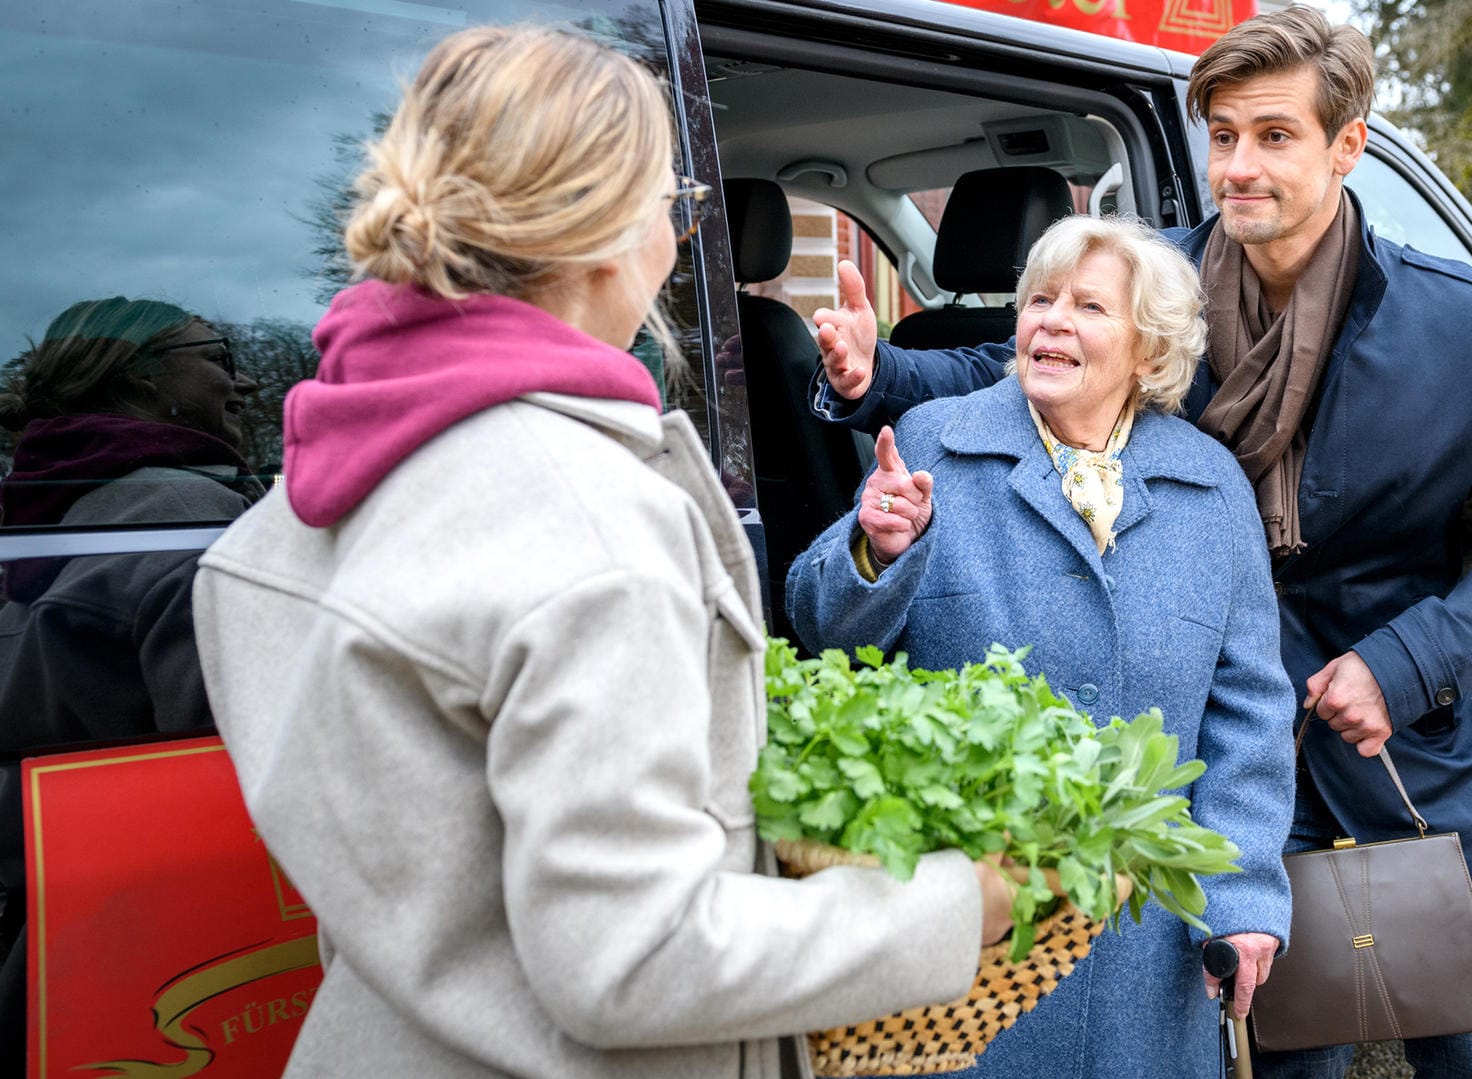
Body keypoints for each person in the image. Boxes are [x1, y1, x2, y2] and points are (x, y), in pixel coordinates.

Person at [190, 25, 1010, 1078]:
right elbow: (637, 956)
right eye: (678, 199)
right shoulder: (592, 524)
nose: (681, 229)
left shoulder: (322, 477)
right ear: (610, 232)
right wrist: (954, 906)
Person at [806, 8, 1472, 1077]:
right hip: (1225, 778)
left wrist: (1404, 661)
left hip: (1395, 764)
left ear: (1346, 144)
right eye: (1222, 136)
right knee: (1287, 1065)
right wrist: (873, 377)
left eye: (1274, 136)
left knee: (1469, 1060)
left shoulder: (1457, 321)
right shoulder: (1156, 286)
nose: (1238, 166)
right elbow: (1013, 373)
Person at [787, 214, 1294, 1079]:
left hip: (1143, 937)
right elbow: (822, 628)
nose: (1053, 321)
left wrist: (1244, 895)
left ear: (1148, 349)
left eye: (1090, 307)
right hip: (973, 933)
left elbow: (1249, 712)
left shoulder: (1212, 488)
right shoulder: (933, 442)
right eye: (1040, 300)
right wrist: (877, 550)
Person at [0, 297, 265, 1066]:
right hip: (181, 965)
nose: (243, 384)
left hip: (67, 944)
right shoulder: (187, 516)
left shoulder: (60, 510)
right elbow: (248, 765)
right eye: (217, 355)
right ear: (139, 383)